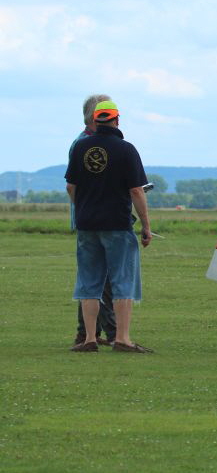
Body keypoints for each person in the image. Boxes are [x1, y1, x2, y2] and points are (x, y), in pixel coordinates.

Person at [65, 100, 153, 353]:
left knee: (88, 281)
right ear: (117, 119)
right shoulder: (126, 150)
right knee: (122, 280)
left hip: (87, 224)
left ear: (95, 120)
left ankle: (89, 338)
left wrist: (82, 208)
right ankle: (122, 339)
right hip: (117, 223)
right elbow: (136, 190)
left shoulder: (80, 147)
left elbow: (71, 186)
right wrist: (146, 225)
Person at [69, 94, 117, 349]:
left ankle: (90, 333)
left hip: (88, 217)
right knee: (103, 278)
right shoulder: (88, 145)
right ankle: (110, 332)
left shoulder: (81, 143)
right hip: (98, 219)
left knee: (94, 277)